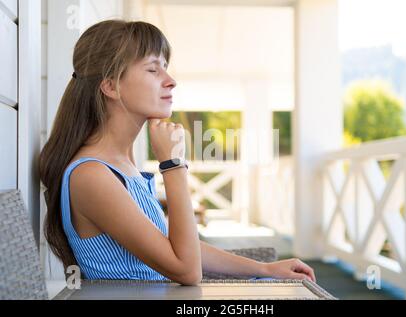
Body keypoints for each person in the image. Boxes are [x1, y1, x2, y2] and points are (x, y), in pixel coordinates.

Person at [39, 20, 315, 285]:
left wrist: (264, 269)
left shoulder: (123, 164)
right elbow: (186, 269)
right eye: (153, 69)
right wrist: (173, 165)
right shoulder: (92, 175)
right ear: (111, 85)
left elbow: (175, 248)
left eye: (166, 68)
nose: (171, 81)